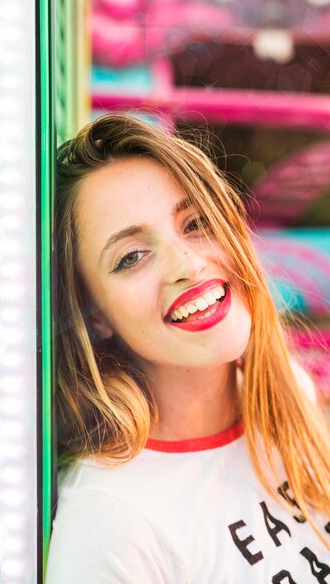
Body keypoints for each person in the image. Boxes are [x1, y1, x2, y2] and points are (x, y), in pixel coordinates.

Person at [46, 113, 330, 583]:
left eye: (195, 223)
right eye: (131, 257)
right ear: (95, 315)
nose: (188, 264)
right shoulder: (110, 526)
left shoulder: (284, 401)